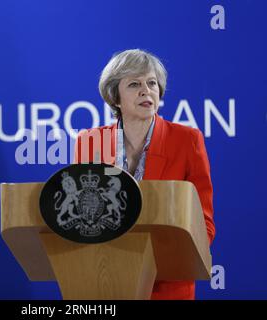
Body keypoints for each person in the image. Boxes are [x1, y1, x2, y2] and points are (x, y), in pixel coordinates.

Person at [74, 49, 215, 300]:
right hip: (104, 281)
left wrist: (156, 259)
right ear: (114, 96)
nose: (146, 90)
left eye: (152, 83)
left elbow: (203, 225)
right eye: (134, 84)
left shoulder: (187, 141)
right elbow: (80, 218)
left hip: (167, 285)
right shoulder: (90, 142)